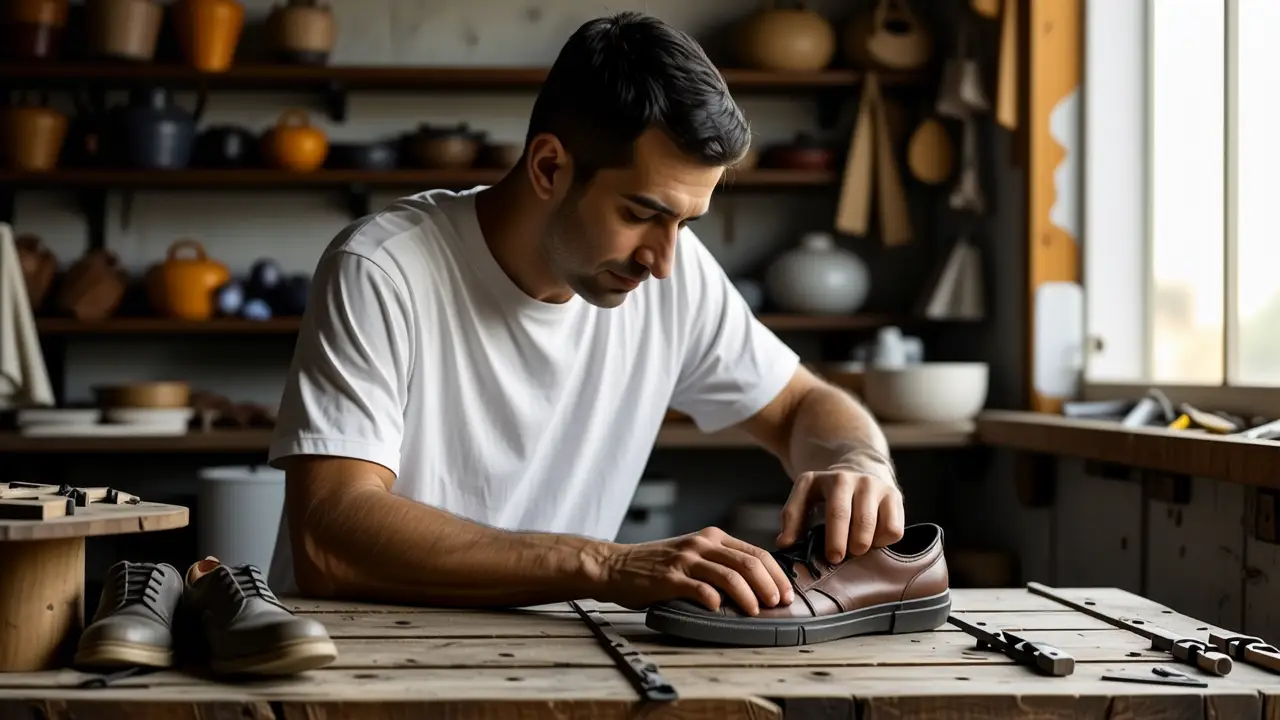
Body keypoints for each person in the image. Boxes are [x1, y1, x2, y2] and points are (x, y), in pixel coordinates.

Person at [266, 11, 903, 617]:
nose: (663, 261)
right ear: (549, 167)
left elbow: (799, 408)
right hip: (359, 660)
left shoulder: (675, 277)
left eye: (685, 222)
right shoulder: (382, 268)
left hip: (554, 658)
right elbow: (330, 536)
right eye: (640, 213)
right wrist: (607, 566)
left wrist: (858, 462)